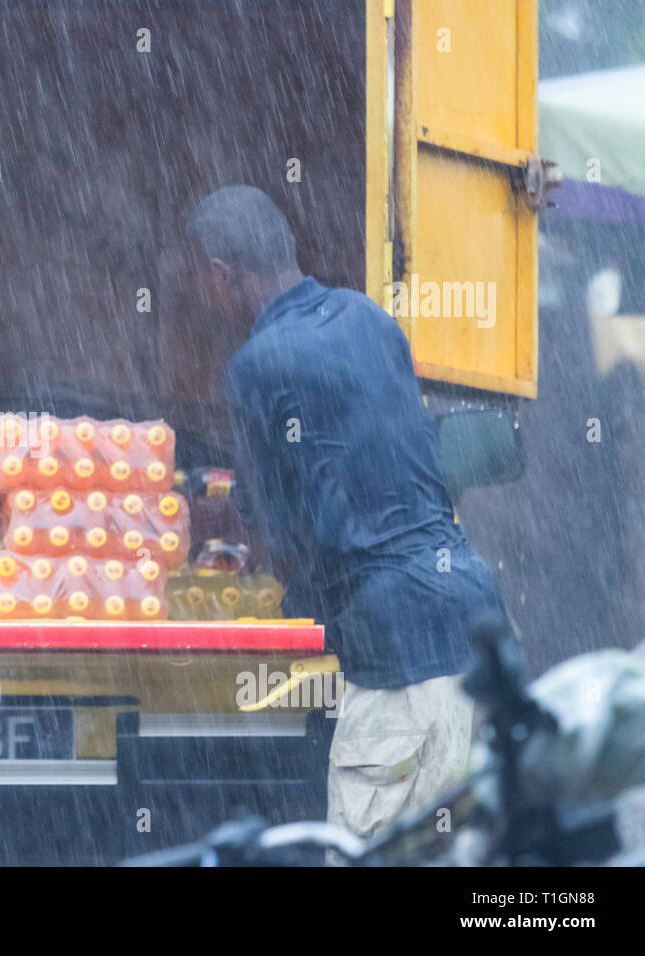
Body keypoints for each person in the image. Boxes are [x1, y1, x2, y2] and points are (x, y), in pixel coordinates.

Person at [185, 185, 510, 843]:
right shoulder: (370, 320)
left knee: (367, 856)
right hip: (478, 627)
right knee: (463, 860)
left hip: (395, 654)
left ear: (221, 275)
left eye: (201, 280)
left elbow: (280, 534)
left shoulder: (254, 366)